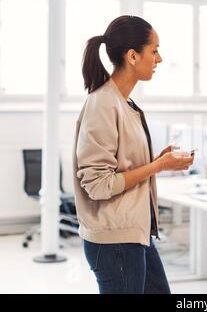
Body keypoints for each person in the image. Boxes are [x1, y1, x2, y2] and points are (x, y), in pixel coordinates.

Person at [72, 15, 194, 294]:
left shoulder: (122, 102)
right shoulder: (103, 104)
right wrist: (157, 166)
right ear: (132, 56)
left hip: (134, 233)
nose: (159, 59)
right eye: (154, 50)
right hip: (114, 242)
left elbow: (119, 167)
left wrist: (158, 163)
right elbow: (98, 185)